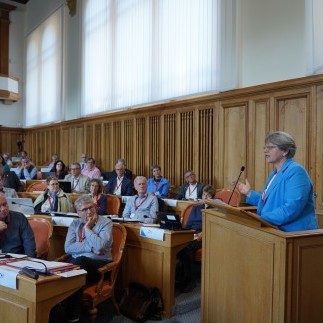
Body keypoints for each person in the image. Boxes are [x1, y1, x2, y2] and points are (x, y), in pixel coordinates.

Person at [236, 131, 318, 232]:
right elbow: (267, 202)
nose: (265, 151)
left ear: (285, 151)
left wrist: (260, 219)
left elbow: (292, 208)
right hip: (276, 230)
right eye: (265, 147)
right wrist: (248, 193)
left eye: (270, 147)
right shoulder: (274, 174)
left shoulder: (296, 171)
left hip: (294, 234)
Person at [63, 195, 113, 322]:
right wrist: (90, 248)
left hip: (99, 265)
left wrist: (88, 228)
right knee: (67, 269)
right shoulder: (74, 224)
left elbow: (100, 245)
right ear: (78, 213)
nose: (89, 212)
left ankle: (71, 316)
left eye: (91, 207)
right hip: (78, 264)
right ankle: (68, 314)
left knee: (77, 264)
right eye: (84, 210)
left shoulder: (106, 222)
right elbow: (68, 248)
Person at [177, 185, 224, 293]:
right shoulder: (196, 207)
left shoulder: (217, 208)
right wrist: (181, 232)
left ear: (213, 197)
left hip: (206, 235)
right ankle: (181, 278)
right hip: (192, 233)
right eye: (204, 194)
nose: (205, 197)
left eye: (208, 195)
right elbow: (188, 224)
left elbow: (217, 227)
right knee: (178, 246)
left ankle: (190, 281)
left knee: (187, 249)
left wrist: (204, 233)